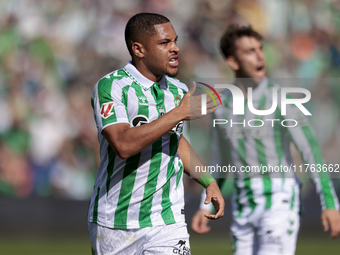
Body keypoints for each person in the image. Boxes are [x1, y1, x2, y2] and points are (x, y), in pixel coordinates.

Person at [191, 24, 340, 255]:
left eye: (260, 48)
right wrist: (205, 204)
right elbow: (220, 162)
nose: (260, 55)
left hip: (279, 201)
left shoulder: (282, 100)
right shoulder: (222, 106)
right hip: (242, 204)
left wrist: (329, 203)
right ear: (232, 61)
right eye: (250, 51)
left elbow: (310, 151)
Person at [87, 13, 225, 255]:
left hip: (166, 219)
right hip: (115, 222)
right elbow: (122, 144)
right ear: (138, 49)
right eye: (164, 43)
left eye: (175, 41)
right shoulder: (111, 86)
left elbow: (175, 140)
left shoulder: (178, 90)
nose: (175, 48)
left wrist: (208, 181)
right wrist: (179, 113)